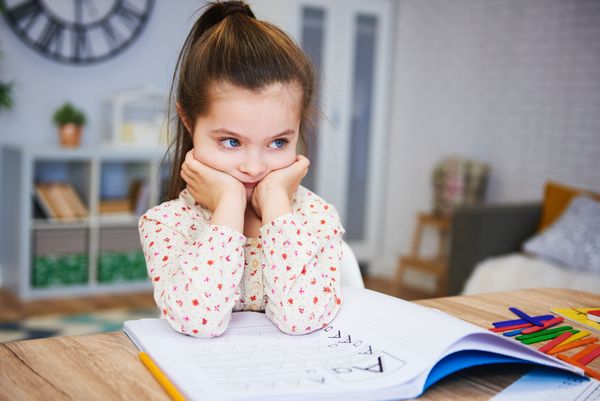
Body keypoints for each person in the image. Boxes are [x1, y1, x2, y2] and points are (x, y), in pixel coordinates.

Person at [138, 1, 344, 338]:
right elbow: (197, 321)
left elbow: (302, 319)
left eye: (278, 143)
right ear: (189, 122)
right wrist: (229, 202)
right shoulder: (168, 225)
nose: (253, 167)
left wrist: (276, 201)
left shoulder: (316, 218)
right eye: (231, 142)